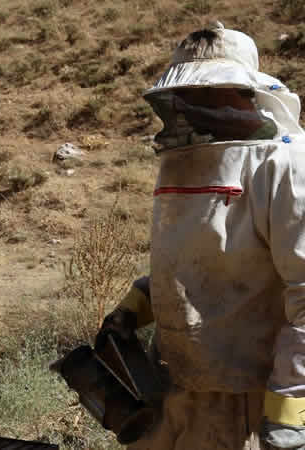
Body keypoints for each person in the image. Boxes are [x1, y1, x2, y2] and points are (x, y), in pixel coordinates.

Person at [96, 22, 305, 449]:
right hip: (176, 389)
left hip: (251, 401)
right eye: (188, 93)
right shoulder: (182, 161)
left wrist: (289, 411)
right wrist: (133, 310)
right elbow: (194, 261)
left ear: (243, 90)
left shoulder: (284, 164)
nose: (194, 103)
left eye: (208, 91)